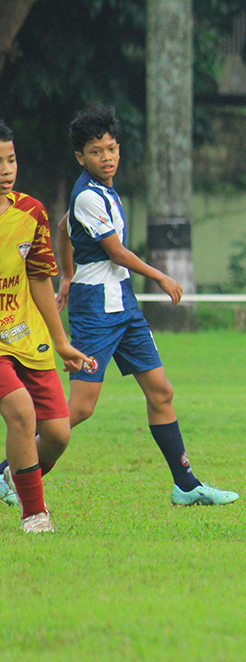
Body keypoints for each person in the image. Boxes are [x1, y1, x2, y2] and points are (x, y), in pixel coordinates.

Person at [45, 103, 238, 506]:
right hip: (96, 308)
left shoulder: (103, 191)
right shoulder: (88, 195)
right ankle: (11, 472)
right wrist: (161, 275)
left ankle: (186, 485)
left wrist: (66, 272)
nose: (107, 157)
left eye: (112, 148)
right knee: (80, 408)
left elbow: (61, 226)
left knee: (161, 391)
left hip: (124, 307)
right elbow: (115, 251)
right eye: (96, 152)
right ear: (81, 157)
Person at [0, 120, 91, 532]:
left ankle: (11, 475)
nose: (6, 169)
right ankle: (34, 514)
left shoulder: (31, 211)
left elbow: (40, 278)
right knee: (20, 412)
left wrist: (61, 341)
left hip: (25, 335)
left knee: (56, 434)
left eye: (11, 159)